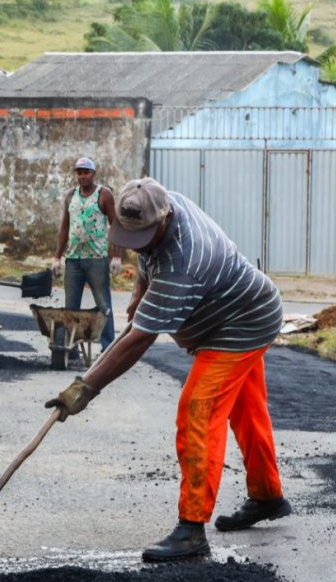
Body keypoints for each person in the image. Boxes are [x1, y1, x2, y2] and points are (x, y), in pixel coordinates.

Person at [45, 178, 291, 561]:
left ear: (165, 218)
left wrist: (85, 387)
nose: (137, 242)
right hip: (225, 313)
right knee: (247, 411)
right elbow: (148, 256)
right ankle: (268, 495)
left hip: (240, 323)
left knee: (198, 409)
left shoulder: (185, 261)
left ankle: (191, 529)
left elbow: (137, 341)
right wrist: (142, 290)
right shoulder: (155, 202)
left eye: (144, 234)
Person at [52, 156, 120, 353]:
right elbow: (65, 228)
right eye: (79, 172)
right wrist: (57, 257)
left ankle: (108, 348)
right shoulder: (70, 196)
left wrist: (116, 256)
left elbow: (115, 225)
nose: (82, 176)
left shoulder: (104, 194)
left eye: (86, 172)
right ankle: (70, 347)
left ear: (93, 174)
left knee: (103, 304)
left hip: (96, 259)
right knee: (71, 306)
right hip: (73, 259)